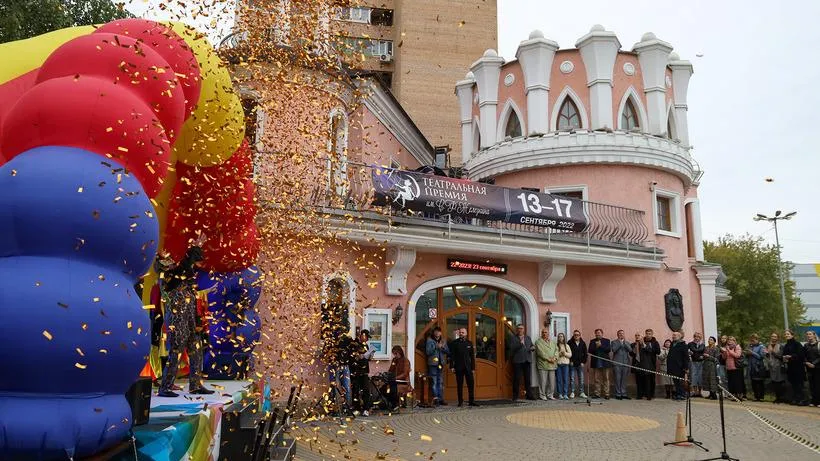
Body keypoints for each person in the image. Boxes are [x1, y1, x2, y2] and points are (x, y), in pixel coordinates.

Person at [158, 238, 215, 398]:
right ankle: (165, 387)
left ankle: (195, 385)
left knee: (196, 350)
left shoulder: (187, 276)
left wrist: (197, 321)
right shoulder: (170, 276)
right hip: (177, 320)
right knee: (175, 352)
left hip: (189, 320)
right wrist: (193, 249)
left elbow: (193, 298)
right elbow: (179, 270)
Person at [350, 329, 376, 416]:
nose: (367, 339)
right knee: (356, 390)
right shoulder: (354, 344)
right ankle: (356, 408)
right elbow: (352, 356)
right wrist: (358, 356)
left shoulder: (366, 346)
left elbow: (367, 358)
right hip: (356, 371)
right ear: (361, 335)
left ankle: (366, 409)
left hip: (364, 371)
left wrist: (370, 356)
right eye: (366, 337)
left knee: (366, 390)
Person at [450, 327, 478, 407]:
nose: (461, 334)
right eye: (460, 332)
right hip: (458, 367)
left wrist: (473, 368)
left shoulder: (469, 343)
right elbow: (452, 356)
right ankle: (460, 401)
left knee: (471, 384)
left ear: (466, 333)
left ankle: (471, 401)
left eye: (463, 332)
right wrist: (452, 366)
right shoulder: (455, 343)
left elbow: (472, 357)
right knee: (459, 385)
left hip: (468, 367)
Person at [508, 324, 536, 400]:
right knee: (517, 379)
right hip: (518, 361)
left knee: (527, 379)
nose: (520, 330)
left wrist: (532, 348)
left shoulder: (528, 338)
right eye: (519, 328)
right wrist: (520, 344)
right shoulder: (513, 338)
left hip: (527, 360)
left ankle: (529, 395)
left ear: (524, 330)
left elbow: (531, 346)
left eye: (521, 328)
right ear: (517, 330)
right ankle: (515, 395)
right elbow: (512, 349)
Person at [425, 326, 450, 406]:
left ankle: (441, 399)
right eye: (436, 331)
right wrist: (436, 346)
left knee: (441, 382)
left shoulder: (443, 341)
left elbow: (447, 351)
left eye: (439, 331)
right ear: (433, 332)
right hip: (433, 364)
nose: (437, 333)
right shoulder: (429, 340)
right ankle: (435, 399)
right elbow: (428, 352)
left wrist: (442, 347)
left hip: (441, 363)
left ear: (441, 333)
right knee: (434, 382)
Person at [782, 329, 807, 406]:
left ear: (792, 335)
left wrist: (791, 356)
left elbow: (801, 355)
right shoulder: (786, 345)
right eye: (785, 334)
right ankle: (796, 398)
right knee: (793, 384)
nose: (787, 335)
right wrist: (784, 357)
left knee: (799, 384)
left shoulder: (797, 344)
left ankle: (802, 399)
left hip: (798, 367)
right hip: (790, 367)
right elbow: (784, 354)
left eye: (788, 334)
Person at [635, 329, 661, 400]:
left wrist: (648, 347)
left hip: (651, 364)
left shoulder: (655, 343)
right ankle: (640, 394)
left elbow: (658, 352)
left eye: (649, 334)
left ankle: (649, 395)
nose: (648, 335)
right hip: (641, 364)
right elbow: (636, 352)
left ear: (652, 334)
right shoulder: (641, 341)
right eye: (647, 333)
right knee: (640, 380)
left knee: (649, 381)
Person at [386, 345, 412, 410]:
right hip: (395, 381)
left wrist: (396, 378)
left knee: (393, 387)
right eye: (394, 354)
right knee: (384, 387)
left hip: (404, 382)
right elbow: (390, 370)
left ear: (400, 352)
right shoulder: (394, 360)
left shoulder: (405, 361)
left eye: (396, 353)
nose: (395, 355)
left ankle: (395, 404)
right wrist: (387, 375)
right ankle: (391, 403)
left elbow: (405, 374)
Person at [588, 329, 612, 399]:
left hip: (605, 363)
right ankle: (597, 394)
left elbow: (608, 350)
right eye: (596, 333)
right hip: (596, 363)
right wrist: (596, 346)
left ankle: (606, 394)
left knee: (606, 379)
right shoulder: (592, 341)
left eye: (599, 333)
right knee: (596, 379)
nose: (598, 334)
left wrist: (601, 346)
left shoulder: (607, 341)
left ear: (602, 333)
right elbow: (590, 351)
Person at [534, 328, 558, 400]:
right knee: (543, 381)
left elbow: (557, 350)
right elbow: (540, 352)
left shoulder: (553, 342)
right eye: (543, 332)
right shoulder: (538, 342)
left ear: (548, 333)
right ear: (541, 333)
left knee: (552, 381)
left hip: (552, 364)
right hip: (543, 364)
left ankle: (550, 394)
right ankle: (542, 395)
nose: (544, 334)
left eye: (546, 332)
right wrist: (548, 359)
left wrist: (555, 358)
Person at [765, 332, 787, 403]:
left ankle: (781, 398)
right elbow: (767, 356)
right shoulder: (768, 345)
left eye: (775, 336)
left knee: (779, 382)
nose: (773, 338)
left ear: (777, 338)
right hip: (771, 366)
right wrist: (767, 354)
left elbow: (781, 357)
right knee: (774, 382)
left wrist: (773, 352)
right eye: (772, 336)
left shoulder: (781, 346)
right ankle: (777, 397)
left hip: (779, 366)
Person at [667, 331, 690, 401]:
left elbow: (686, 357)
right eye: (673, 335)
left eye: (675, 335)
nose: (673, 336)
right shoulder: (672, 344)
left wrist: (686, 368)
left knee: (680, 382)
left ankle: (682, 395)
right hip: (672, 367)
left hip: (680, 367)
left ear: (680, 336)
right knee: (676, 382)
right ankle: (678, 394)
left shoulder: (683, 345)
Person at [745, 334, 767, 401]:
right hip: (751, 367)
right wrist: (747, 353)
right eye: (751, 340)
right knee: (753, 382)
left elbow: (761, 356)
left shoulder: (761, 346)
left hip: (758, 367)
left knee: (760, 382)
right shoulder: (750, 346)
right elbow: (748, 356)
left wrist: (752, 353)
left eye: (753, 340)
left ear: (757, 339)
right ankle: (756, 396)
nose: (752, 341)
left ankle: (761, 397)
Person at [611, 330, 632, 400]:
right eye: (620, 333)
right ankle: (618, 394)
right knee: (617, 379)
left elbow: (630, 350)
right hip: (617, 363)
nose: (621, 335)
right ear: (617, 335)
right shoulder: (614, 342)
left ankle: (624, 393)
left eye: (622, 333)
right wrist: (620, 343)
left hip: (625, 363)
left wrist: (624, 343)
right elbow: (614, 350)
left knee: (624, 379)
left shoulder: (627, 342)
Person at [568, 330, 588, 399]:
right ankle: (572, 392)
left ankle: (581, 392)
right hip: (572, 364)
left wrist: (583, 362)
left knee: (581, 379)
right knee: (572, 379)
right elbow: (568, 352)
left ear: (580, 336)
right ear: (573, 335)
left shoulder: (583, 343)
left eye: (578, 335)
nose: (576, 336)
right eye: (575, 335)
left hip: (580, 364)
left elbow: (585, 354)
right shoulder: (569, 342)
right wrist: (570, 361)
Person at [803, 330, 819, 407]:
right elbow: (804, 355)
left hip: (818, 367)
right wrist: (806, 362)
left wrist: (814, 363)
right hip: (809, 367)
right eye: (807, 334)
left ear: (814, 335)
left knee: (818, 384)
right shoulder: (806, 345)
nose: (808, 335)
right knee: (811, 385)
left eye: (810, 334)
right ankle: (813, 401)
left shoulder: (819, 344)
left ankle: (819, 401)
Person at [688, 332, 706, 397]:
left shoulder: (703, 345)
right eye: (696, 337)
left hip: (701, 362)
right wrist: (689, 353)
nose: (697, 338)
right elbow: (687, 351)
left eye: (698, 337)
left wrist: (703, 356)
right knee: (694, 376)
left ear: (700, 338)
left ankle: (700, 392)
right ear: (694, 337)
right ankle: (695, 392)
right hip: (693, 362)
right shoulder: (690, 344)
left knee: (700, 376)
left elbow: (704, 352)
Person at [556, 332, 572, 400]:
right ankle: (560, 394)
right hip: (559, 364)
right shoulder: (556, 345)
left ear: (564, 337)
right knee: (559, 380)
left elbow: (570, 355)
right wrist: (560, 354)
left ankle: (565, 394)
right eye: (559, 336)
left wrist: (564, 353)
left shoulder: (567, 345)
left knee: (565, 379)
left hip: (565, 364)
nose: (560, 338)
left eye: (562, 336)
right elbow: (555, 355)